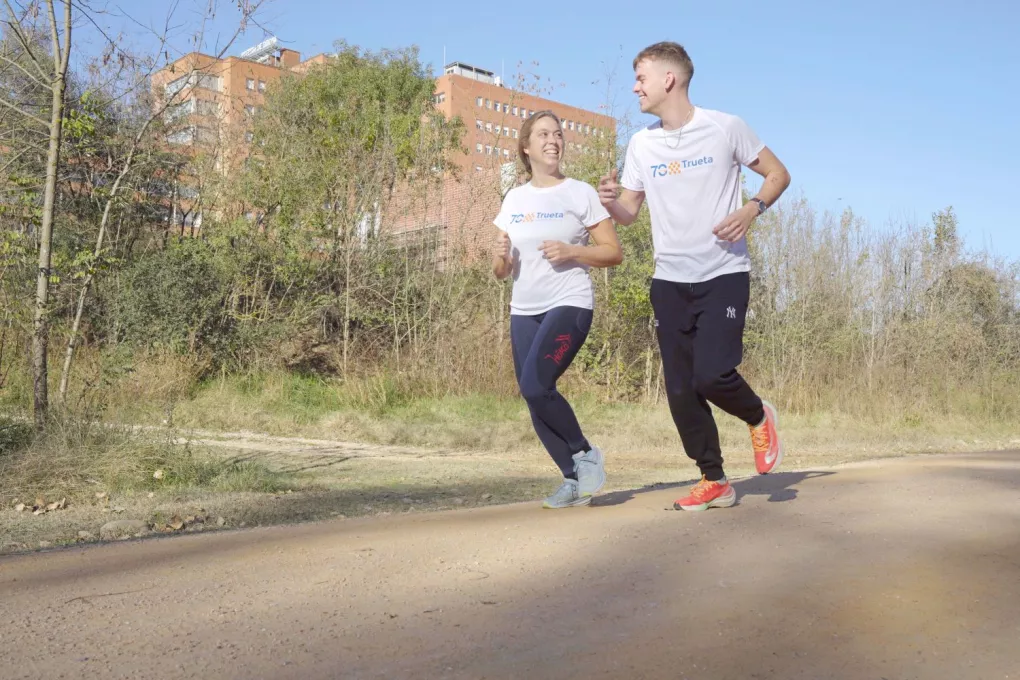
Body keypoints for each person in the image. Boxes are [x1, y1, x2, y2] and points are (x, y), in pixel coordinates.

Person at [598, 41, 791, 512]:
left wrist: (752, 208)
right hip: (669, 280)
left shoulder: (725, 127)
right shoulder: (642, 143)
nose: (635, 87)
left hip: (723, 271)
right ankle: (714, 479)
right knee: (681, 388)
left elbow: (779, 174)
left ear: (669, 79)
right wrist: (609, 201)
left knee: (711, 374)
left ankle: (756, 413)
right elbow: (629, 210)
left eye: (641, 77)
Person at [492, 110, 624, 509]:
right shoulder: (514, 199)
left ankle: (585, 455)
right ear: (526, 147)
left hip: (569, 301)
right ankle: (572, 480)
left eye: (558, 134)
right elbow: (501, 271)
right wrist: (500, 258)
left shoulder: (579, 192)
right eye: (544, 134)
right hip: (523, 308)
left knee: (536, 383)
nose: (554, 140)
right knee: (534, 396)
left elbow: (613, 252)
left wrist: (573, 251)